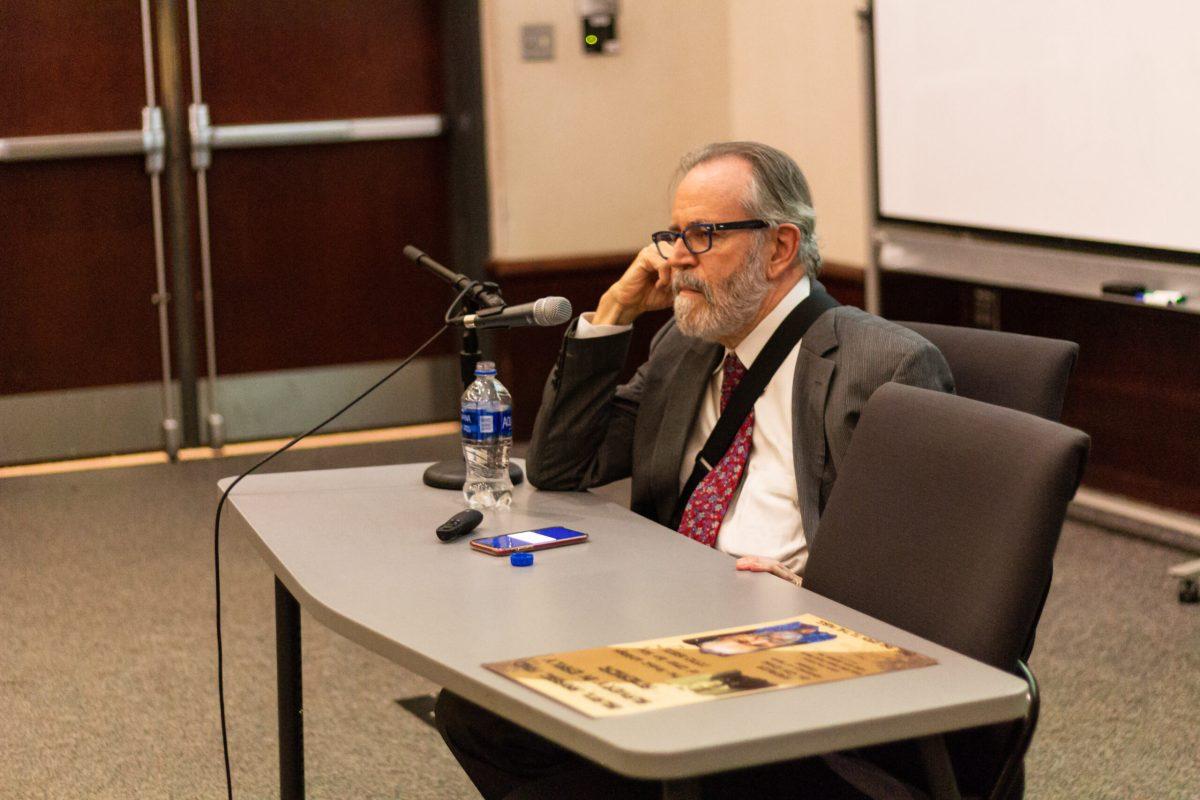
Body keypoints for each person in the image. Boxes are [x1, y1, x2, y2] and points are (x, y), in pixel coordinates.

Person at [434, 141, 954, 799]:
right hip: (669, 623)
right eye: (673, 235)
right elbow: (563, 466)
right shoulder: (685, 345)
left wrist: (809, 585)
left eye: (702, 235)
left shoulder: (881, 367)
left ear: (780, 246)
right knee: (478, 715)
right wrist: (615, 312)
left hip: (785, 657)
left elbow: (920, 577)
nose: (675, 259)